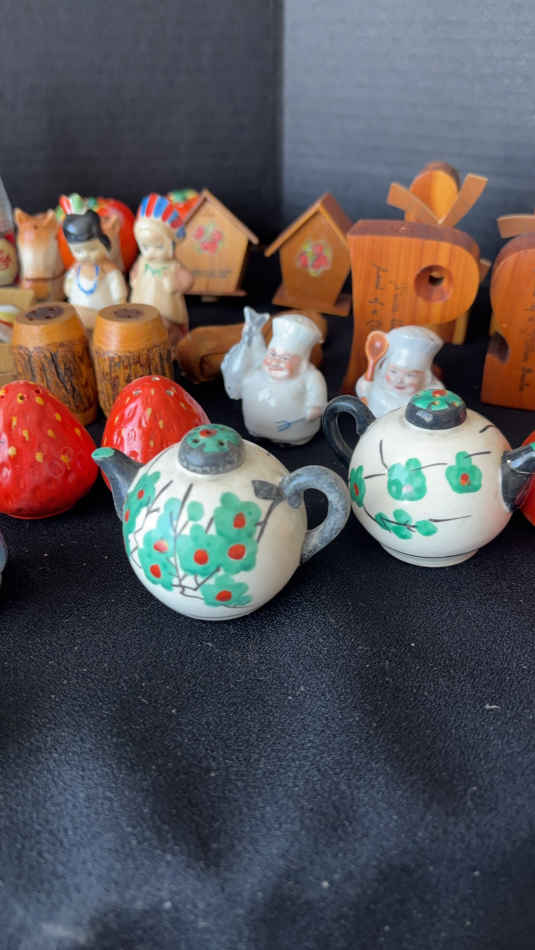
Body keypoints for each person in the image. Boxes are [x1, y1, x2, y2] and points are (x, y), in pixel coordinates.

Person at [222, 310, 327, 445]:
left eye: (284, 358)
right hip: (254, 430)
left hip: (295, 433)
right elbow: (237, 380)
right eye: (272, 354)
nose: (275, 362)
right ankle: (259, 431)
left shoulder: (311, 377)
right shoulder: (256, 371)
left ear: (301, 362)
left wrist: (315, 408)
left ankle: (294, 439)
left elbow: (317, 402)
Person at [130, 194, 193, 350]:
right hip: (142, 305)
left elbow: (188, 280)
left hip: (166, 309)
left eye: (158, 247)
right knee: (139, 328)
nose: (151, 252)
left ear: (171, 244)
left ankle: (171, 348)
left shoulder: (173, 266)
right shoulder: (142, 261)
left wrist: (174, 284)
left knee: (167, 329)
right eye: (145, 247)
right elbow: (134, 274)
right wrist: (135, 280)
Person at [356, 325, 443, 417]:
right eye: (393, 372)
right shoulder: (375, 387)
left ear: (425, 377)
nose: (399, 380)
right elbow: (363, 390)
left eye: (410, 375)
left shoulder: (432, 398)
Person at [63, 210, 127, 332]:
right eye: (78, 251)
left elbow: (118, 291)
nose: (85, 255)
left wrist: (120, 302)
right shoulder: (76, 269)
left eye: (92, 249)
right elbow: (68, 288)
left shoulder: (109, 270)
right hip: (77, 313)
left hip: (103, 316)